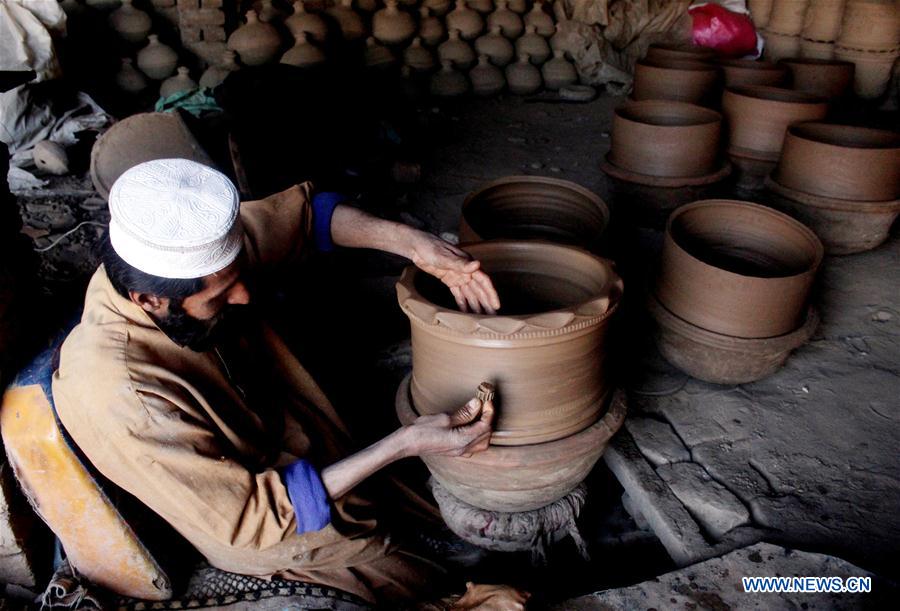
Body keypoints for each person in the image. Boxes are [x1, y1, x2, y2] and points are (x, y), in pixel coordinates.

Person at [52, 158, 512, 606]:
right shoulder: (123, 396)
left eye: (236, 277)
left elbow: (310, 216)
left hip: (300, 436)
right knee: (414, 577)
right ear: (149, 299)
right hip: (271, 527)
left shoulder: (183, 262)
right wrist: (402, 443)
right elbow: (253, 518)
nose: (244, 293)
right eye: (222, 294)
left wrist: (415, 245)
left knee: (435, 514)